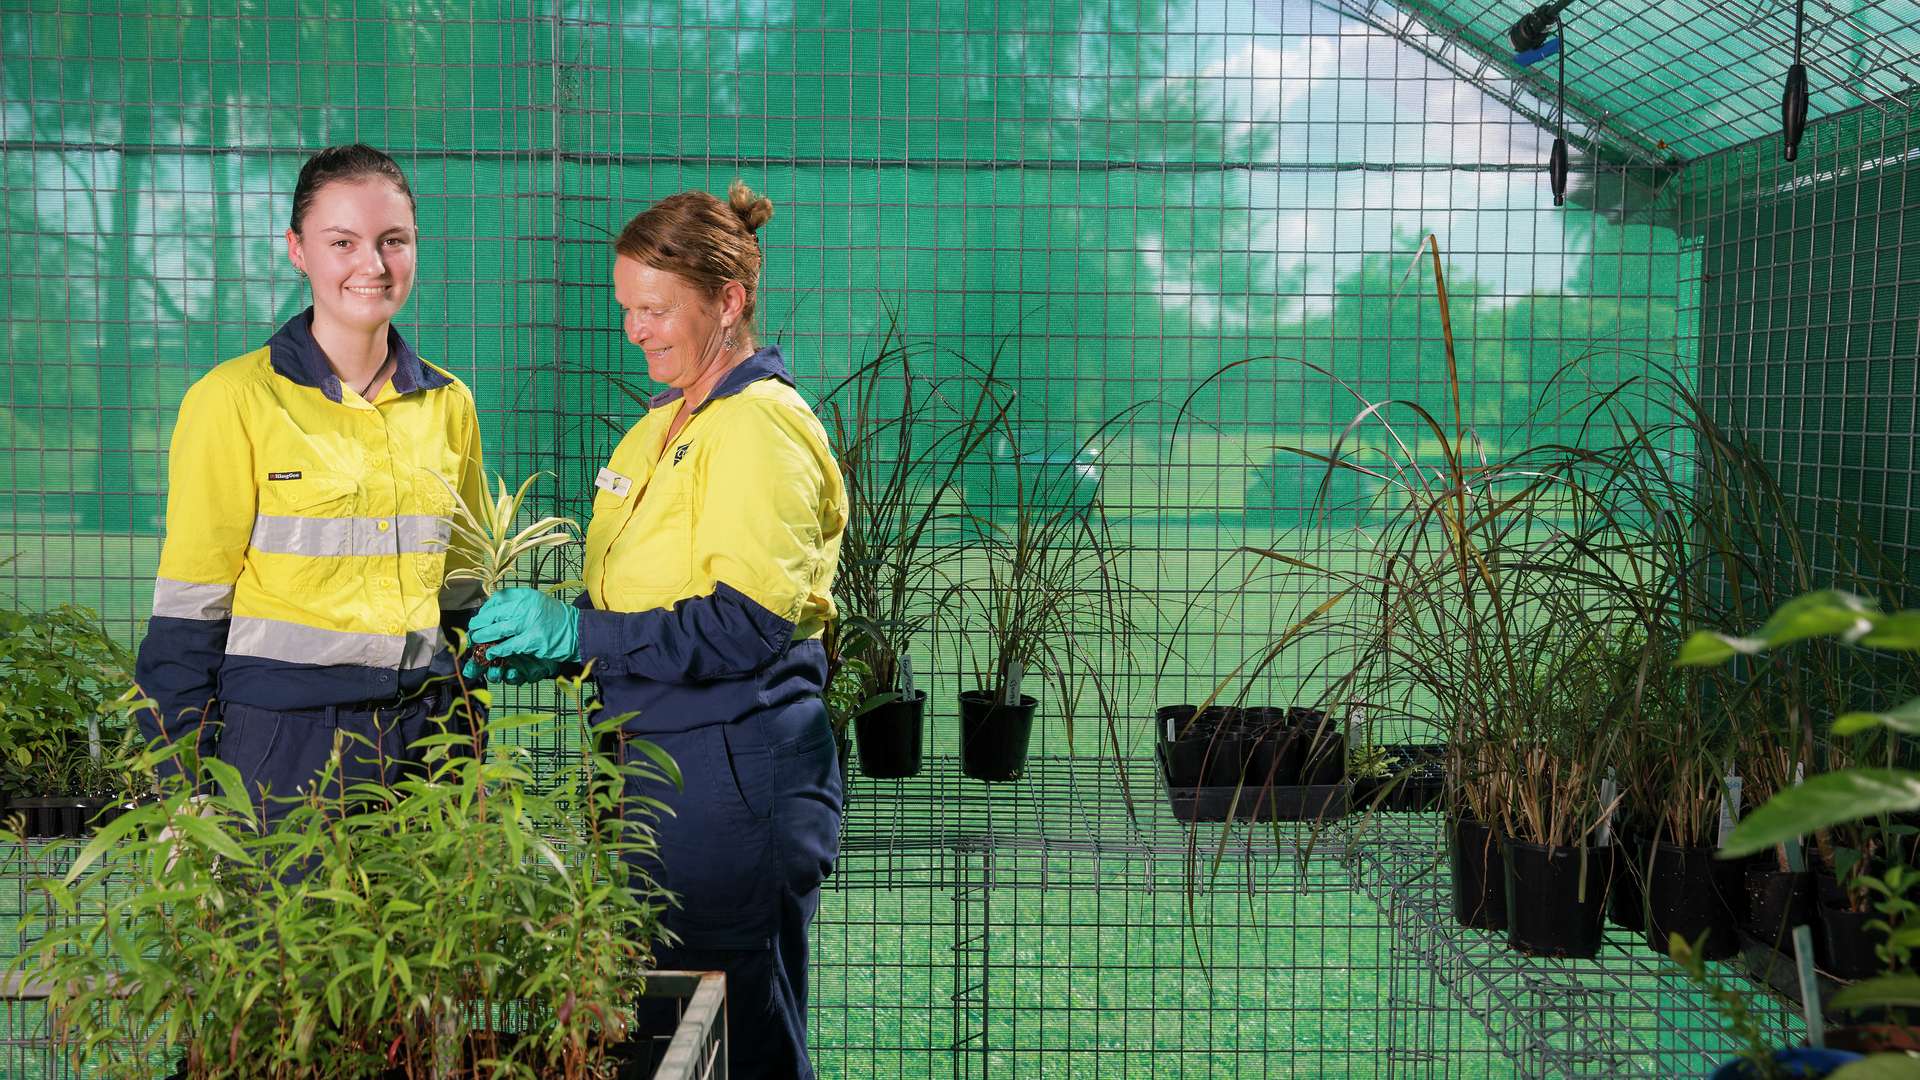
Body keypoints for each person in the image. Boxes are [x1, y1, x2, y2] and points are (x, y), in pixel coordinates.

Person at [466, 182, 846, 1079]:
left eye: (655, 308)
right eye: (625, 309)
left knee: (737, 1034)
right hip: (653, 777)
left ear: (729, 301)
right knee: (669, 1034)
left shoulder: (759, 428)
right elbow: (643, 605)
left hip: (731, 783)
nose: (634, 329)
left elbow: (745, 626)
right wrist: (554, 651)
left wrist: (577, 636)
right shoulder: (658, 431)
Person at [134, 143, 490, 824]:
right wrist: (184, 783)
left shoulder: (451, 405)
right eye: (342, 242)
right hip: (278, 745)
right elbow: (189, 607)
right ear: (298, 250)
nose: (373, 265)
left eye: (394, 240)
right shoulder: (233, 399)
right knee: (278, 935)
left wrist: (468, 742)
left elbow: (463, 596)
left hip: (426, 740)